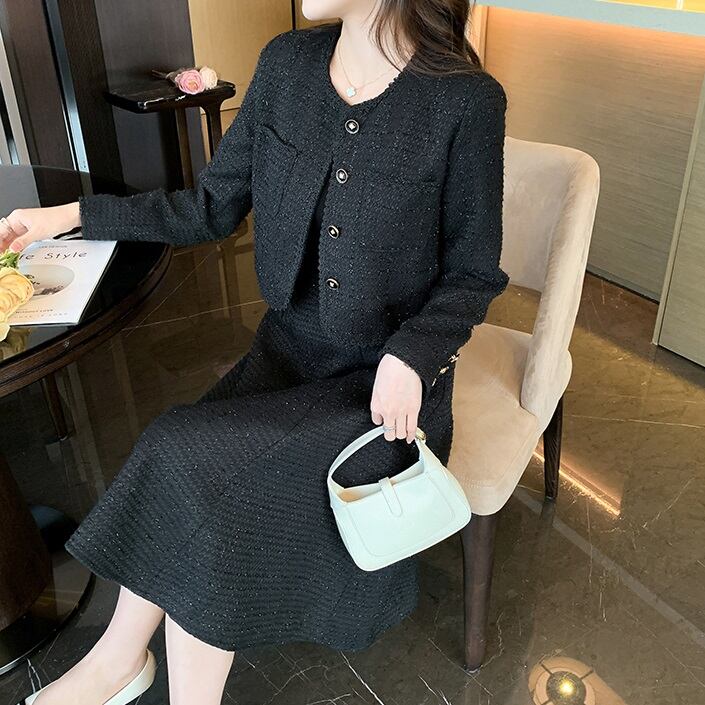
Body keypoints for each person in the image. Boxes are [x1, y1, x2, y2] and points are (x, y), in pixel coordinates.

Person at [2, 1, 510, 703]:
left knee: (193, 467)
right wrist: (71, 216)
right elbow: (210, 205)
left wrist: (413, 355)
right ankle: (118, 661)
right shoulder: (287, 65)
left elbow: (472, 274)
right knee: (189, 467)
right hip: (284, 359)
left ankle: (118, 665)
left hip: (381, 394)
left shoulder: (465, 101)